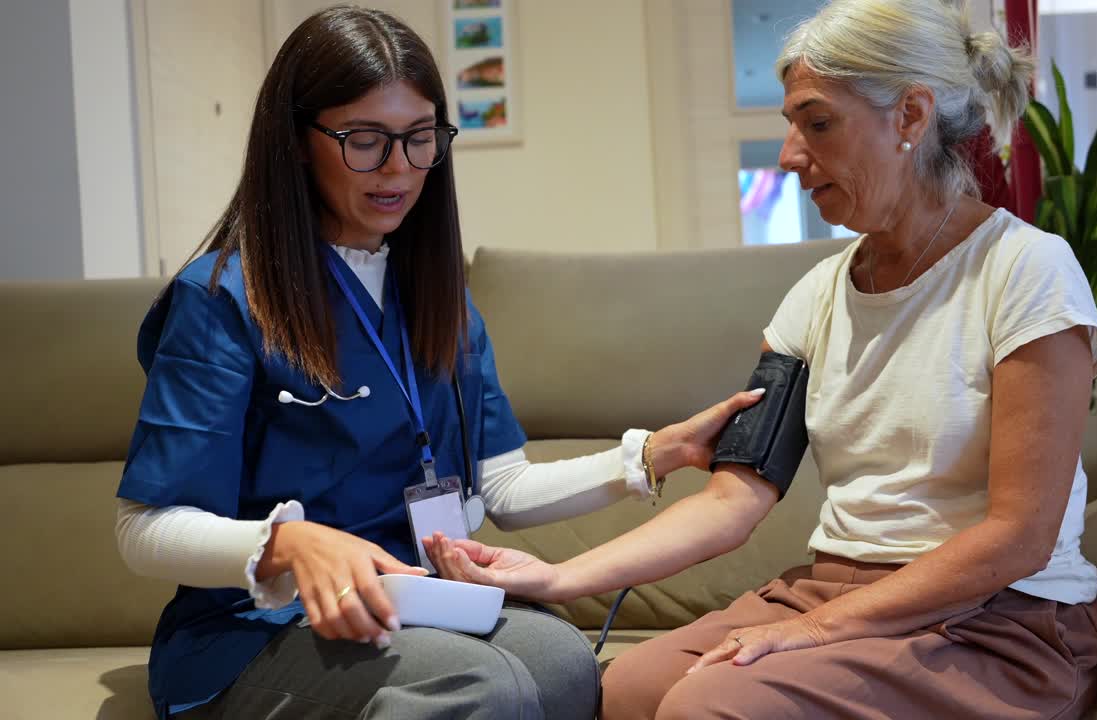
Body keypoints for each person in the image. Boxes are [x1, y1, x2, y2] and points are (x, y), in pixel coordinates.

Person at [424, 1, 1097, 718]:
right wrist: (556, 578)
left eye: (817, 123)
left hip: (995, 616)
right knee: (627, 689)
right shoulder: (815, 298)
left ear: (910, 116)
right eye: (790, 125)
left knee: (707, 707)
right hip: (835, 591)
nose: (788, 155)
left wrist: (811, 632)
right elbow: (734, 499)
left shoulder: (1026, 271)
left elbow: (1020, 536)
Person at [113, 6, 760, 719]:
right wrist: (290, 544)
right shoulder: (223, 298)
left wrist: (657, 454)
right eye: (365, 140)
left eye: (420, 138)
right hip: (255, 631)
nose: (398, 168)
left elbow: (501, 486)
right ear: (296, 141)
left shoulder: (437, 296)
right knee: (480, 685)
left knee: (563, 663)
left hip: (413, 603)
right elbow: (145, 529)